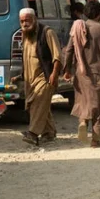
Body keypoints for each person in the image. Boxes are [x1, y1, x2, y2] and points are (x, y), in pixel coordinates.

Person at [62, 0, 100, 147]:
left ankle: (83, 121)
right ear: (99, 14)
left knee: (83, 100)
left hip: (81, 72)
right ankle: (95, 140)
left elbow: (69, 50)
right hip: (99, 72)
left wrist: (67, 70)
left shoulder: (78, 28)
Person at [11, 8, 62, 146]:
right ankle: (49, 133)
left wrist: (54, 74)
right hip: (30, 80)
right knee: (39, 105)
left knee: (38, 103)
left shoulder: (47, 32)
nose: (24, 24)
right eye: (22, 21)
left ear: (34, 19)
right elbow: (27, 59)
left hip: (45, 77)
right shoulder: (24, 35)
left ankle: (33, 134)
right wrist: (20, 76)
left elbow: (58, 56)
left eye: (27, 20)